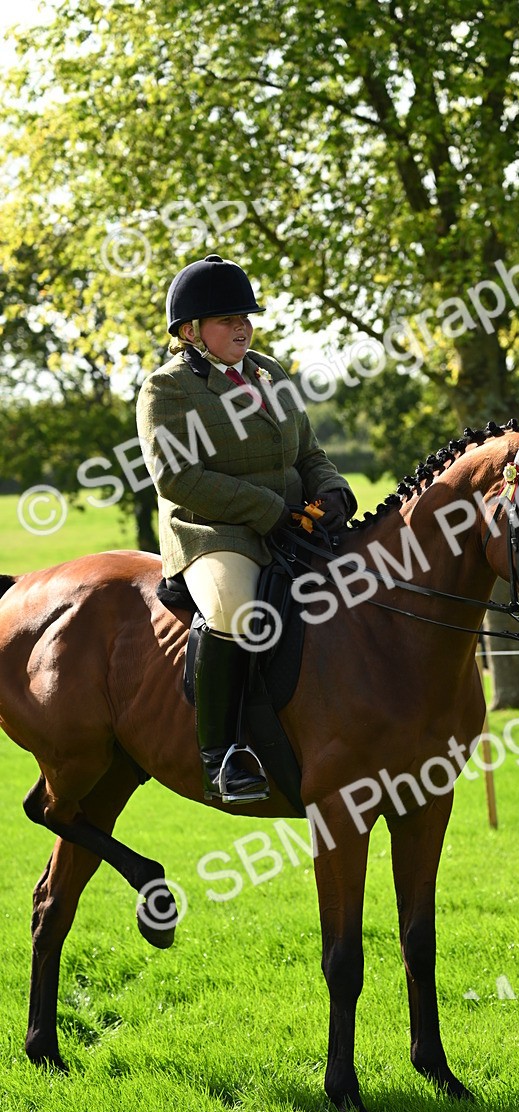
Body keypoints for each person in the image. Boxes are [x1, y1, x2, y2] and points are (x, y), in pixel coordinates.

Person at [136, 253, 356, 805]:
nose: (243, 327)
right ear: (189, 332)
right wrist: (268, 510)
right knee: (235, 609)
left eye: (246, 317)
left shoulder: (268, 371)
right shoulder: (166, 391)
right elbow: (177, 479)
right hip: (213, 534)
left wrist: (332, 490)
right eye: (227, 319)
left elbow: (307, 451)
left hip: (288, 526)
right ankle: (221, 758)